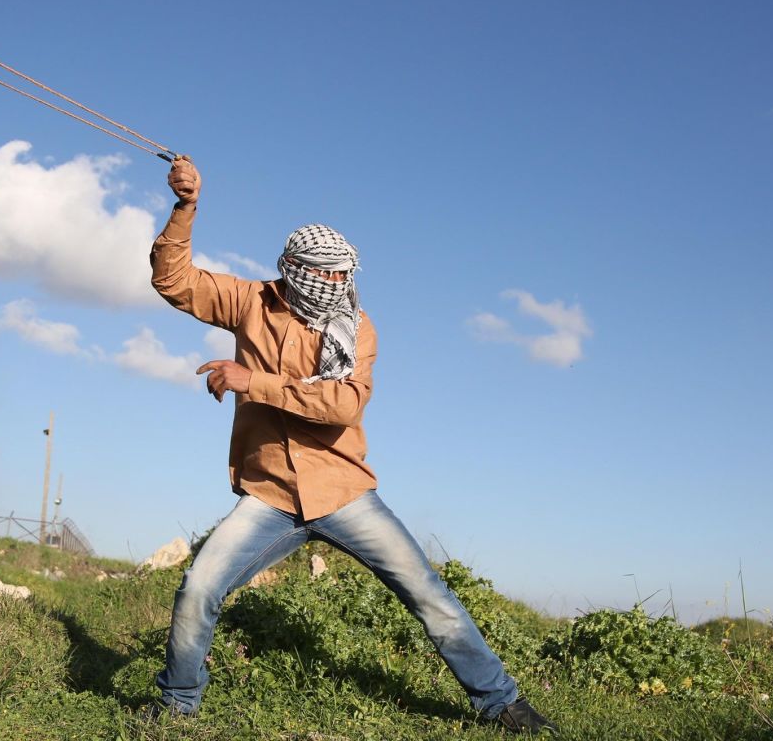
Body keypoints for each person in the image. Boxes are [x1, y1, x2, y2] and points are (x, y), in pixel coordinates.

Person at [147, 156, 558, 734]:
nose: (337, 285)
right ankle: (176, 706)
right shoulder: (250, 302)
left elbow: (343, 405)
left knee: (428, 594)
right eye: (326, 275)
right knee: (198, 588)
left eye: (344, 275)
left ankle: (502, 704)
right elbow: (173, 281)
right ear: (294, 270)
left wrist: (253, 381)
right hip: (270, 495)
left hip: (343, 492)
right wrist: (186, 206)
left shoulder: (357, 329)